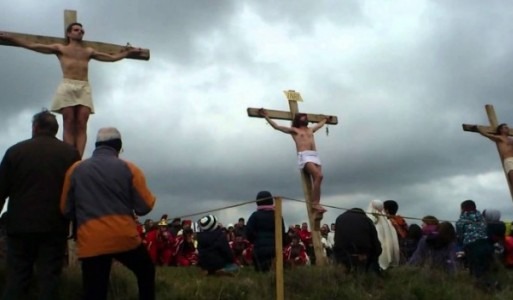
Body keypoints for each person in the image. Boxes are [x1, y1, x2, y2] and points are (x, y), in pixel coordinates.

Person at [0, 24, 141, 157]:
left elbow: (111, 57)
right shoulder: (60, 48)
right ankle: (69, 155)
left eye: (81, 30)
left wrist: (127, 53)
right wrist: (12, 38)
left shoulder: (88, 51)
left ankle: (78, 157)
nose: (80, 32)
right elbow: (34, 45)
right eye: (76, 30)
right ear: (69, 33)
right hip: (67, 84)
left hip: (83, 86)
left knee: (81, 121)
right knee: (68, 120)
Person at [60, 127, 156, 300]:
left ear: (96, 146)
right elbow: (144, 206)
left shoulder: (75, 169)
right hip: (123, 237)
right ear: (118, 148)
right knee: (146, 270)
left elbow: (65, 209)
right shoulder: (130, 168)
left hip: (91, 240)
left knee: (95, 291)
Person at [0, 110, 80, 300]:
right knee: (49, 280)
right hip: (54, 226)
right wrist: (76, 225)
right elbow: (77, 193)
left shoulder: (15, 151)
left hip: (19, 227)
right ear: (56, 130)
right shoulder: (70, 154)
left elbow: (1, 191)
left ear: (35, 128)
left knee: (17, 279)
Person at [258, 109, 331, 213]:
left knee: (319, 178)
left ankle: (316, 202)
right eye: (303, 117)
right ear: (298, 119)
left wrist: (325, 120)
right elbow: (277, 127)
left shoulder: (310, 130)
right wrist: (266, 117)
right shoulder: (295, 130)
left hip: (314, 155)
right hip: (304, 156)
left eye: (306, 117)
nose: (305, 118)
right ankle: (315, 204)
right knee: (319, 176)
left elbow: (319, 125)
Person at [456, 200, 497, 290]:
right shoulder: (482, 218)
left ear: (463, 209)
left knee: (476, 268)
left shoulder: (461, 221)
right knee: (487, 267)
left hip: (472, 246)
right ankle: (493, 285)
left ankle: (483, 289)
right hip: (486, 244)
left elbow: (460, 235)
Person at [245, 191, 286, 272]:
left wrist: (256, 240)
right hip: (275, 249)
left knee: (260, 273)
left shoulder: (254, 216)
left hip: (259, 249)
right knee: (275, 273)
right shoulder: (277, 215)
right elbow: (282, 232)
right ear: (271, 200)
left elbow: (248, 232)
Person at [333, 208, 382, 275]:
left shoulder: (339, 218)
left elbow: (336, 238)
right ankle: (372, 277)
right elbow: (375, 242)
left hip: (342, 253)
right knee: (372, 262)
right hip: (362, 252)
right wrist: (377, 253)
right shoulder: (366, 220)